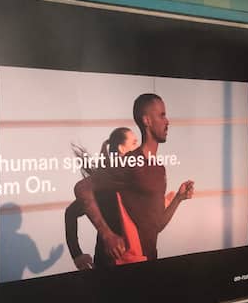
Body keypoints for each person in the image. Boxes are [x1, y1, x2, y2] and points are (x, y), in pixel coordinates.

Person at [74, 93, 194, 264]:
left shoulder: (159, 169)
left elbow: (156, 226)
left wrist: (178, 199)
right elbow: (82, 188)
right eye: (162, 115)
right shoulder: (130, 162)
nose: (167, 121)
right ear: (147, 121)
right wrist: (107, 234)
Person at [65, 127, 143, 270]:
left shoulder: (136, 176)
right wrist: (76, 254)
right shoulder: (107, 181)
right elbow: (71, 212)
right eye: (134, 143)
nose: (138, 147)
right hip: (110, 264)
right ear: (121, 148)